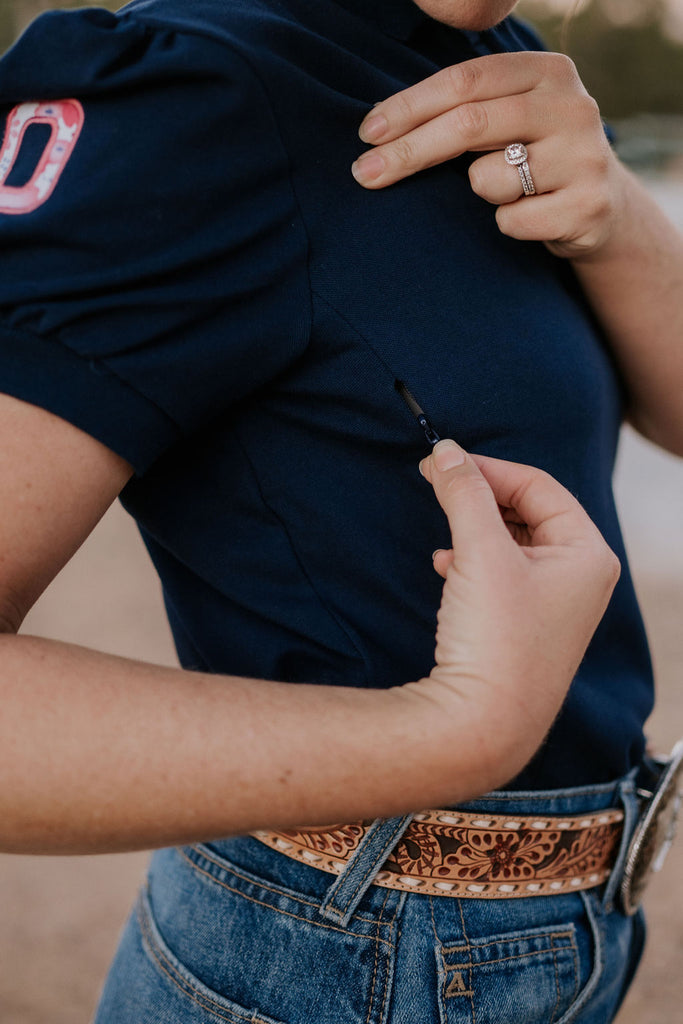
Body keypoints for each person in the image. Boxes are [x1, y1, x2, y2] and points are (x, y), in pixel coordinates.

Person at [0, 0, 681, 1021]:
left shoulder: (490, 54)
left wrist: (615, 218)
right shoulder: (184, 94)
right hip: (334, 963)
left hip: (561, 942)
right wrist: (456, 730)